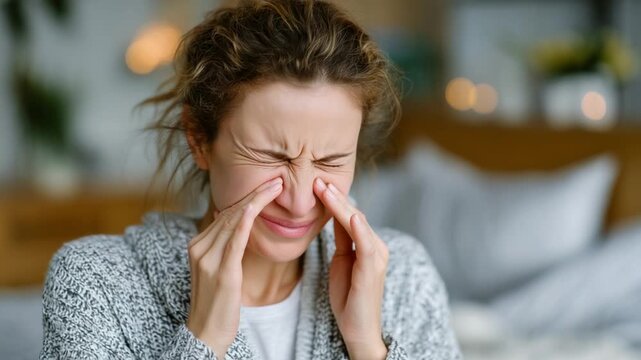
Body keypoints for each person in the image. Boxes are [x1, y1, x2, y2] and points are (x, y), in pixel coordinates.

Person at [39, 0, 462, 359]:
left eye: (331, 160)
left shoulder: (405, 278)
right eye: (269, 156)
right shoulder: (94, 283)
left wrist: (367, 345)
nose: (299, 202)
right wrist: (203, 339)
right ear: (200, 139)